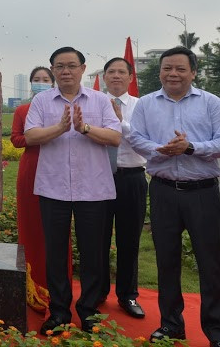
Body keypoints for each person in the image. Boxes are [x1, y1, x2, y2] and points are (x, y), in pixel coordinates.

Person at [128, 46, 220, 347]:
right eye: (167, 68)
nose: (173, 74)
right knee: (167, 261)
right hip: (163, 191)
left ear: (193, 72)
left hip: (202, 193)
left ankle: (218, 334)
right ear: (160, 71)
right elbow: (136, 137)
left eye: (180, 69)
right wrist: (159, 149)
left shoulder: (210, 102)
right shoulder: (147, 104)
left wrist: (191, 148)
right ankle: (171, 324)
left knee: (210, 263)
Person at [24, 46, 121, 335]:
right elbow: (30, 135)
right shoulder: (41, 101)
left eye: (71, 65)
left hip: (93, 189)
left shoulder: (101, 100)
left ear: (82, 68)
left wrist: (84, 128)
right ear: (53, 70)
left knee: (92, 253)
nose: (65, 71)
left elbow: (115, 137)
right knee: (55, 253)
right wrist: (61, 127)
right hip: (53, 188)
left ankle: (89, 311)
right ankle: (59, 311)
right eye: (59, 66)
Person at [11, 66, 72, 313]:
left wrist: (46, 134)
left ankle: (59, 286)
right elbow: (16, 139)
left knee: (58, 228)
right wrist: (43, 136)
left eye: (45, 79)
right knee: (31, 226)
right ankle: (32, 286)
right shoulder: (22, 110)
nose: (40, 82)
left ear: (53, 81)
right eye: (36, 79)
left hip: (58, 169)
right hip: (31, 169)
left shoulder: (63, 108)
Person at [98, 57, 147, 318]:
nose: (116, 76)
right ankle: (97, 292)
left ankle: (128, 295)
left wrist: (120, 123)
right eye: (111, 72)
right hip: (99, 178)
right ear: (104, 77)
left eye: (121, 72)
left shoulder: (142, 106)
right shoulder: (93, 102)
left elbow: (145, 143)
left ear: (130, 77)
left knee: (129, 240)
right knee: (98, 239)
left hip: (132, 178)